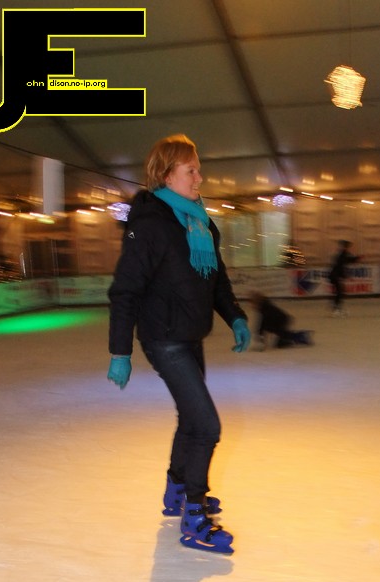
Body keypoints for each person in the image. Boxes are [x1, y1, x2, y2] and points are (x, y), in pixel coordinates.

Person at [106, 134, 250, 555]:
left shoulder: (201, 223)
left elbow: (217, 280)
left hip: (190, 334)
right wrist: (119, 352)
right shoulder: (150, 225)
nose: (199, 178)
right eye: (192, 171)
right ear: (167, 175)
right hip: (164, 338)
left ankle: (177, 491)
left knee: (191, 419)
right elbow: (125, 290)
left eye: (198, 170)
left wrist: (236, 316)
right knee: (206, 426)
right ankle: (194, 517)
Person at [247, 290, 313, 349]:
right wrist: (260, 335)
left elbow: (263, 323)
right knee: (281, 340)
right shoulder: (264, 307)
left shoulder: (265, 308)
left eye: (252, 303)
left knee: (282, 339)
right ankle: (299, 336)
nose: (251, 306)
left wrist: (260, 336)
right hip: (279, 321)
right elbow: (262, 324)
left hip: (281, 321)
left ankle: (301, 336)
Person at [329, 240, 358, 316]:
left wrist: (358, 258)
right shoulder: (343, 254)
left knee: (340, 292)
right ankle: (336, 309)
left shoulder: (343, 254)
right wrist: (346, 276)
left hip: (335, 275)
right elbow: (343, 265)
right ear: (346, 247)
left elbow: (350, 260)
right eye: (349, 247)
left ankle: (337, 307)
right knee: (339, 292)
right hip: (335, 276)